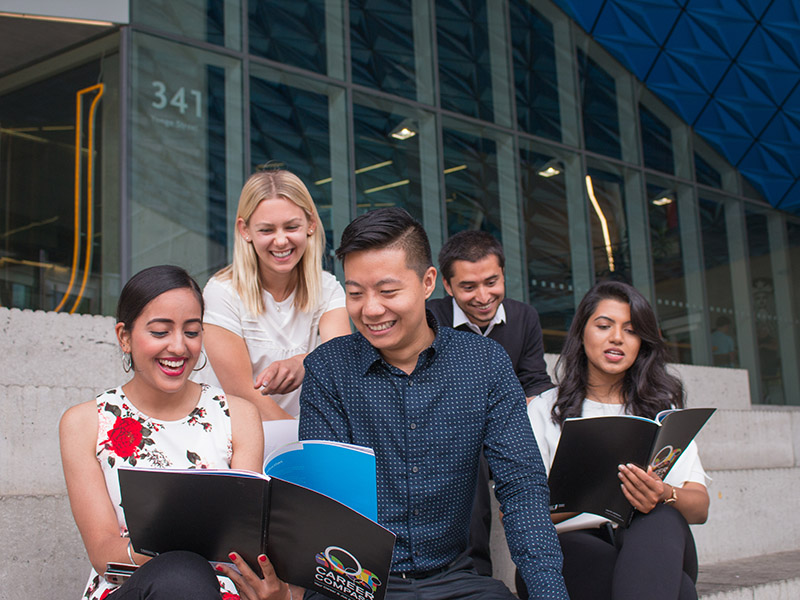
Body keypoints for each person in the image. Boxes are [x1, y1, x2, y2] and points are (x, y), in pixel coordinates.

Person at [299, 208, 567, 600]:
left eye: (388, 292)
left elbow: (522, 487)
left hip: (455, 579)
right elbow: (326, 503)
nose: (370, 309)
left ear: (428, 283)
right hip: (358, 580)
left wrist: (549, 594)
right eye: (355, 293)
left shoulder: (485, 363)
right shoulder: (329, 369)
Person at [59, 265, 295, 600]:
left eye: (192, 332)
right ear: (124, 337)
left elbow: (244, 539)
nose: (179, 347)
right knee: (182, 574)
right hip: (134, 588)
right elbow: (103, 552)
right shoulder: (85, 422)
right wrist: (193, 546)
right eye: (159, 332)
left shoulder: (238, 415)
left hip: (220, 590)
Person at [524, 280, 710, 600]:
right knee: (679, 590)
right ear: (582, 333)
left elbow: (700, 507)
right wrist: (596, 493)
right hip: (570, 548)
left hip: (651, 539)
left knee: (661, 515)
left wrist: (662, 493)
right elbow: (518, 513)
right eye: (604, 325)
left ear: (641, 344)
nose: (616, 338)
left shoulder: (659, 413)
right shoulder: (544, 409)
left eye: (631, 330)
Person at [196, 168, 351, 455]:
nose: (280, 241)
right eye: (267, 230)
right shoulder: (221, 291)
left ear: (311, 224)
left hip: (301, 440)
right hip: (232, 441)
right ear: (245, 231)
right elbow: (243, 392)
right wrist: (302, 449)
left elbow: (339, 361)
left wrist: (304, 362)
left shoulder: (328, 287)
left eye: (291, 227)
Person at [427, 230, 553, 577]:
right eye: (468, 287)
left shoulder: (524, 317)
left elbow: (536, 382)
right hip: (453, 433)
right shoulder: (429, 319)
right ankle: (475, 575)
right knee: (472, 455)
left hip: (509, 426)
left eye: (492, 282)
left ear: (503, 275)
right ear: (448, 287)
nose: (483, 297)